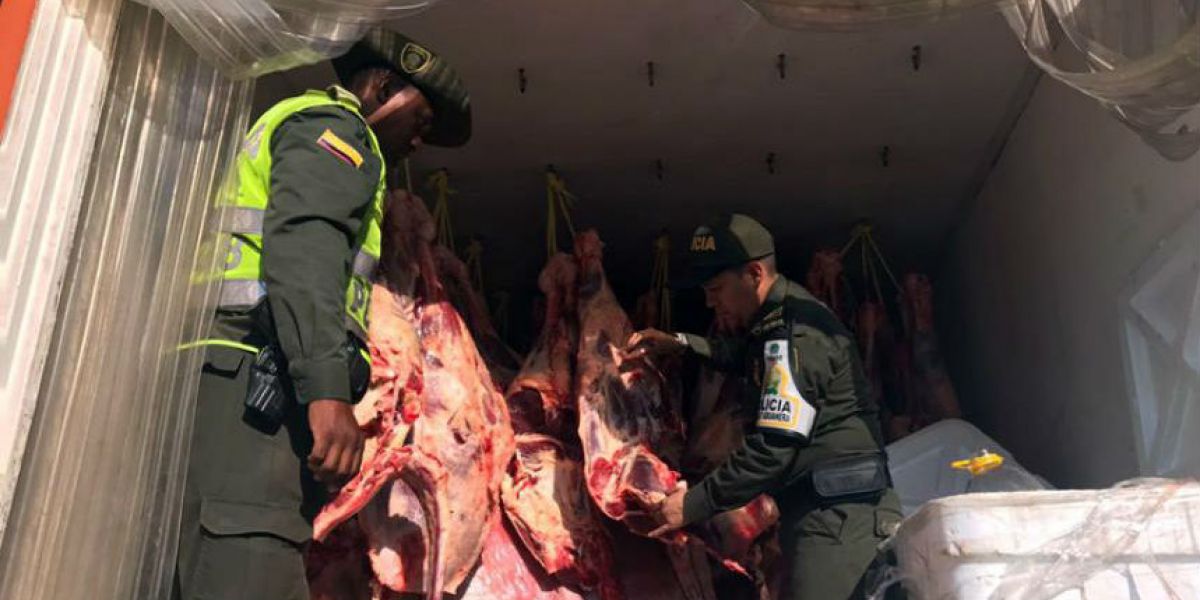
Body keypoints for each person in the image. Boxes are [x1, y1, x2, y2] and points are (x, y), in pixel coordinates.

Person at [173, 30, 470, 600]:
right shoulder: (338, 132)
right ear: (383, 85)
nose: (420, 140)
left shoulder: (310, 125)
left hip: (241, 384)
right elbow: (305, 250)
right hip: (255, 389)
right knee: (250, 563)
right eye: (423, 119)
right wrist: (327, 393)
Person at [625, 214, 902, 600]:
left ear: (754, 273)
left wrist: (692, 505)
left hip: (840, 518)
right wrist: (684, 343)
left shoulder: (794, 333)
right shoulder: (778, 321)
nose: (709, 300)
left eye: (716, 288)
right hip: (831, 511)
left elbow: (775, 447)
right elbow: (751, 359)